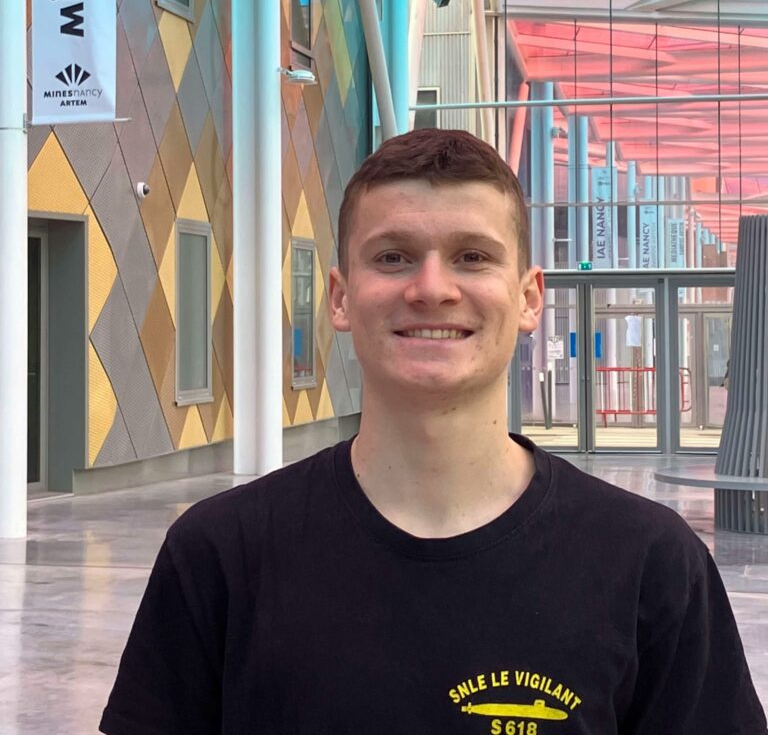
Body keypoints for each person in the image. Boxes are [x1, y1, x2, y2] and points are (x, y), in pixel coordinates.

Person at [100, 129, 766, 735]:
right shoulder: (219, 554)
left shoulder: (651, 564)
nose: (431, 288)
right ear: (339, 297)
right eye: (393, 257)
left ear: (530, 297)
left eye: (472, 257)